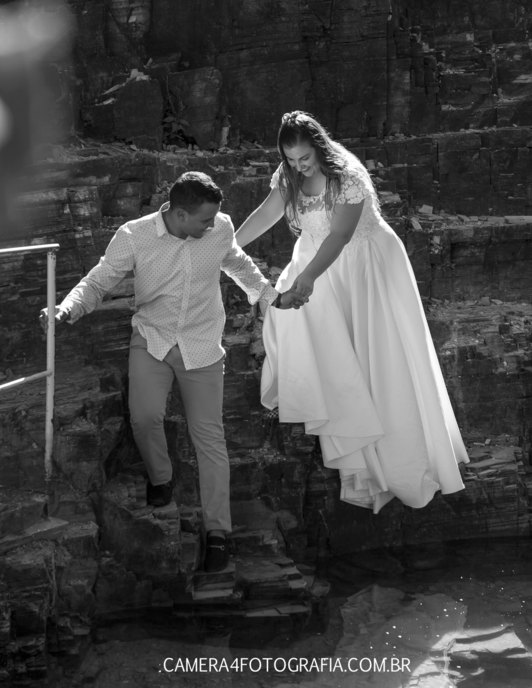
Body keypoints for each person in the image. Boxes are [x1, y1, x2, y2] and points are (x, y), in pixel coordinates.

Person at [41, 172, 306, 571]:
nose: (214, 224)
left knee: (210, 440)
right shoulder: (134, 236)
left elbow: (237, 261)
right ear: (179, 214)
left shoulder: (220, 229)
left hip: (202, 346)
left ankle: (218, 532)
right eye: (204, 219)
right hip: (152, 339)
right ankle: (161, 478)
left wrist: (270, 297)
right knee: (145, 418)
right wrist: (67, 308)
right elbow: (99, 280)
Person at [235, 111, 469, 512]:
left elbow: (341, 235)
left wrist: (307, 278)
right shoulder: (289, 174)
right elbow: (268, 212)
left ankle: (392, 453)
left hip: (363, 265)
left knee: (377, 356)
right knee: (305, 329)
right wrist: (232, 245)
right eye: (291, 159)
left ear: (319, 147)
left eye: (304, 158)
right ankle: (338, 417)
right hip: (317, 256)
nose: (298, 166)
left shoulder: (348, 177)